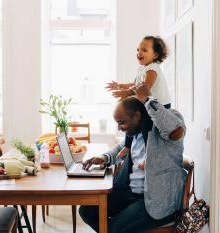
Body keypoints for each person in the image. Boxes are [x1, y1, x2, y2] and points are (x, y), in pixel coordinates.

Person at [79, 84, 186, 233]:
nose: (120, 128)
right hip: (130, 193)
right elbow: (120, 148)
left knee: (114, 229)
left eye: (122, 122)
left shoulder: (167, 121)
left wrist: (148, 99)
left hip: (156, 202)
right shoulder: (136, 132)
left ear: (137, 115)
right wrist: (104, 157)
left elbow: (176, 131)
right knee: (87, 210)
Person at [106, 36, 171, 161]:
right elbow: (135, 85)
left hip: (160, 106)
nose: (139, 53)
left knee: (146, 124)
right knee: (130, 118)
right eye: (138, 50)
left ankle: (149, 155)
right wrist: (119, 85)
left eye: (144, 50)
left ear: (156, 55)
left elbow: (145, 89)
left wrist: (128, 93)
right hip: (147, 103)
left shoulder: (152, 69)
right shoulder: (142, 69)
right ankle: (127, 146)